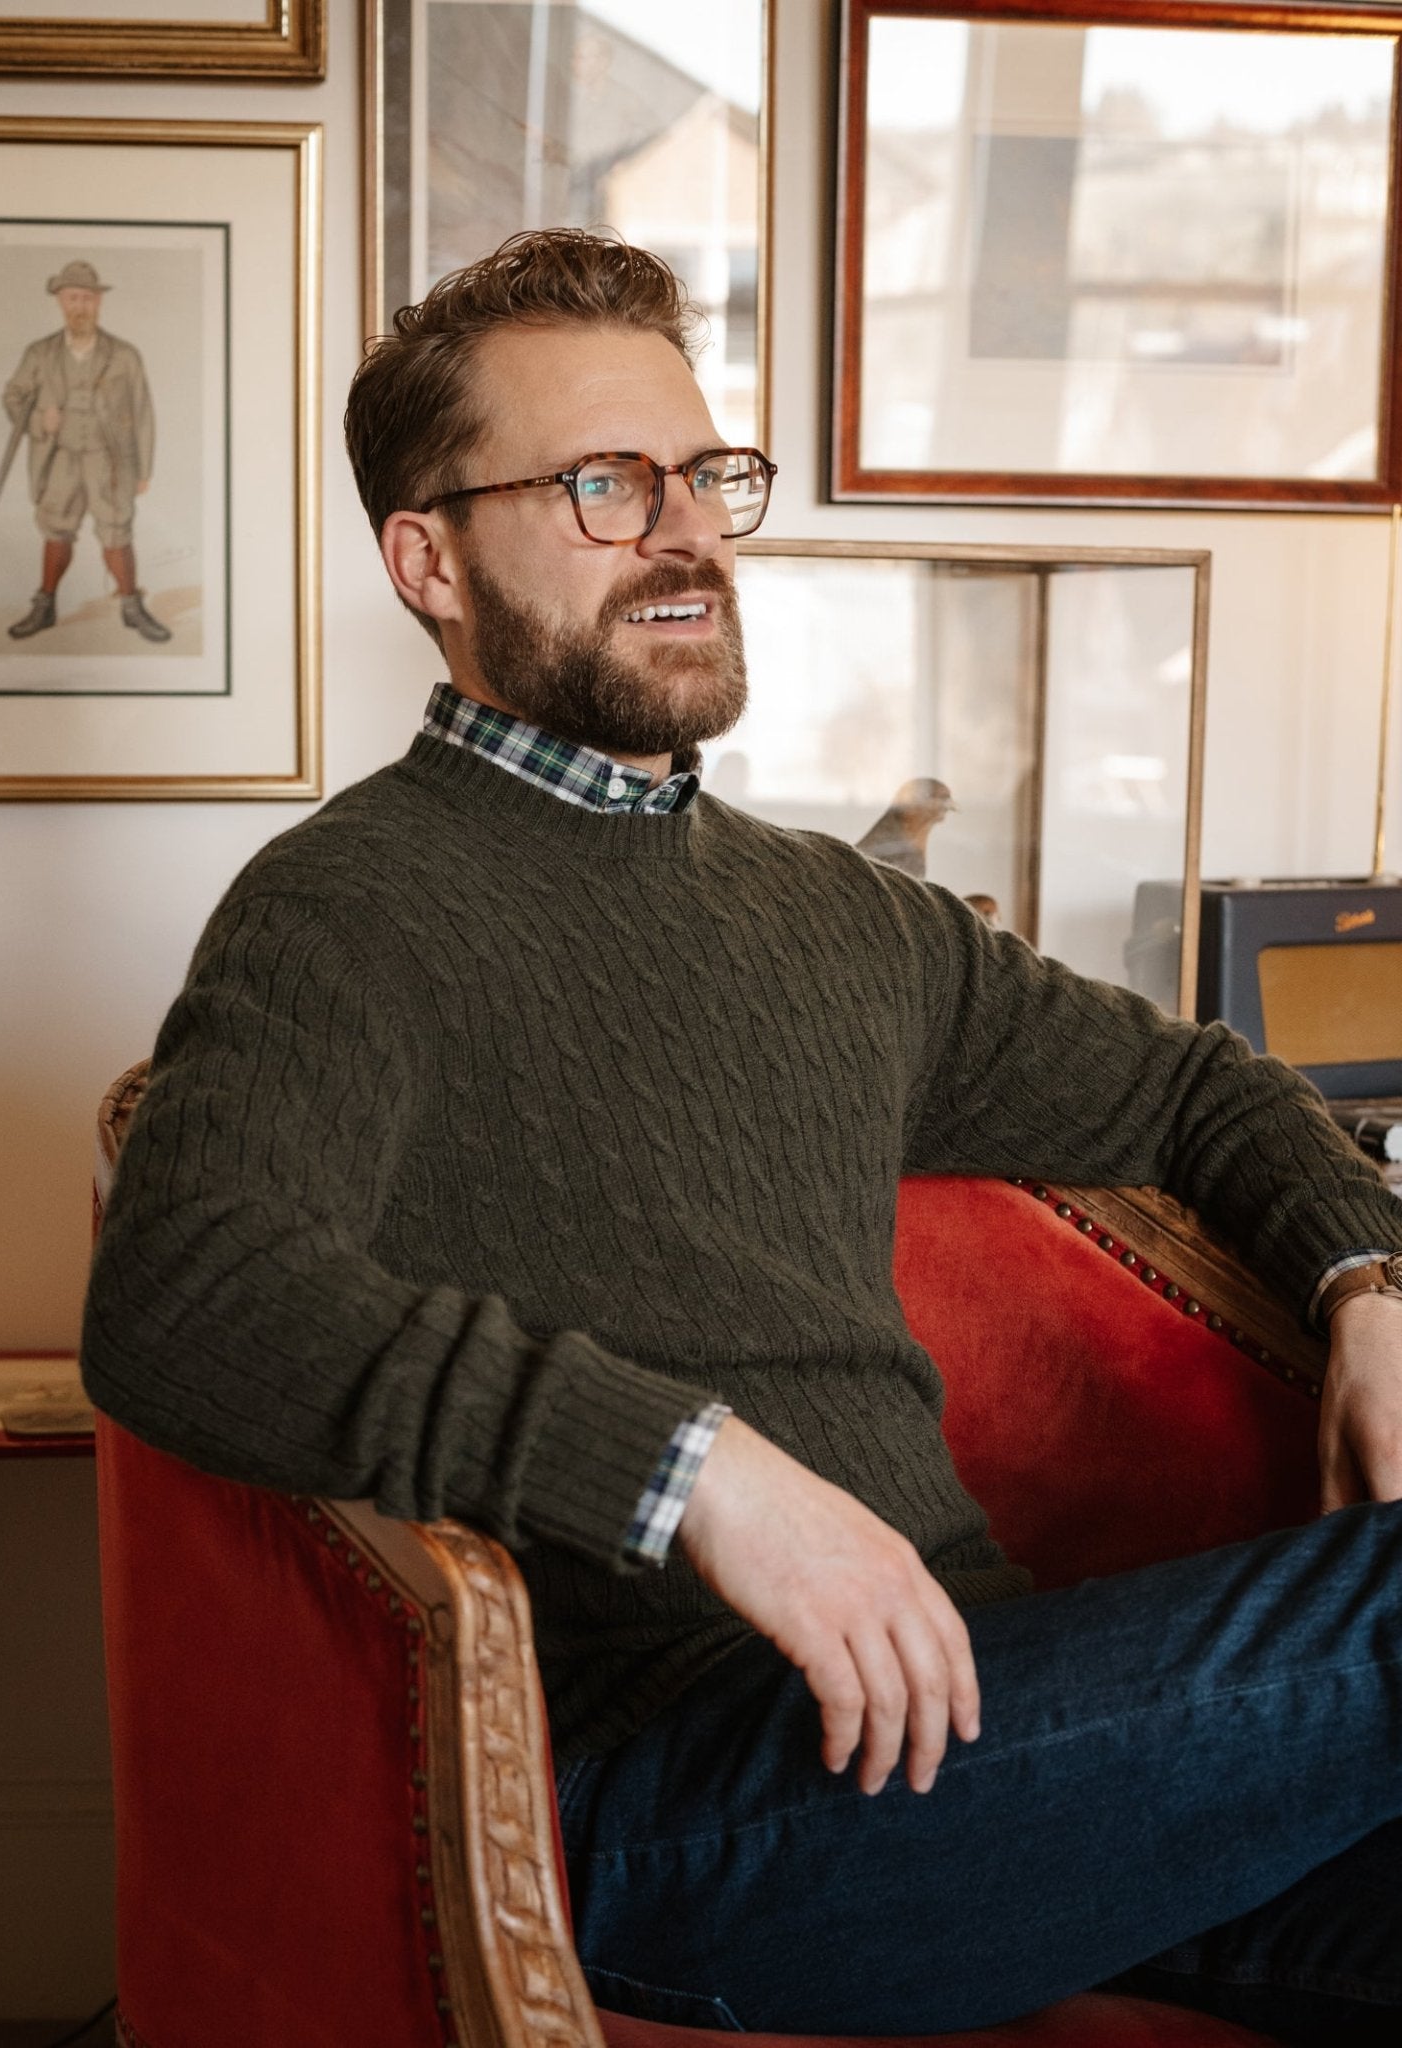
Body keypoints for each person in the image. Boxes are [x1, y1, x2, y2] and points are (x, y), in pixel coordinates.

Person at [82, 229, 1402, 2042]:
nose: (687, 531)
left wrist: (1365, 1277)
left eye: (704, 474)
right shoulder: (343, 912)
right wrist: (698, 1472)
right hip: (676, 1803)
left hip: (999, 1755)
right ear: (428, 558)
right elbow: (182, 1292)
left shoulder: (843, 918)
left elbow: (1195, 1085)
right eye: (605, 485)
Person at [0, 259, 171, 645]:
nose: (80, 306)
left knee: (116, 530)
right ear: (61, 301)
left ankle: (131, 606)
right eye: (73, 298)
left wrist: (143, 469)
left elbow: (143, 412)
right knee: (56, 529)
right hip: (58, 458)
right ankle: (45, 606)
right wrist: (39, 421)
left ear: (98, 302)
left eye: (87, 298)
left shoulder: (124, 355)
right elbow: (13, 397)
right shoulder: (39, 354)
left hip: (109, 461)